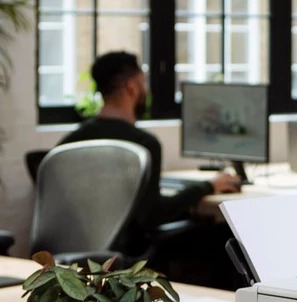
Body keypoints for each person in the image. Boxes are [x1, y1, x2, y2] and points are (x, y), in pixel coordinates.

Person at [58, 51, 239, 259]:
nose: (146, 90)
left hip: (73, 254)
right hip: (125, 258)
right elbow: (153, 216)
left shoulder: (71, 140)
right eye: (143, 84)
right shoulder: (143, 145)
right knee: (216, 233)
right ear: (131, 87)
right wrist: (208, 186)